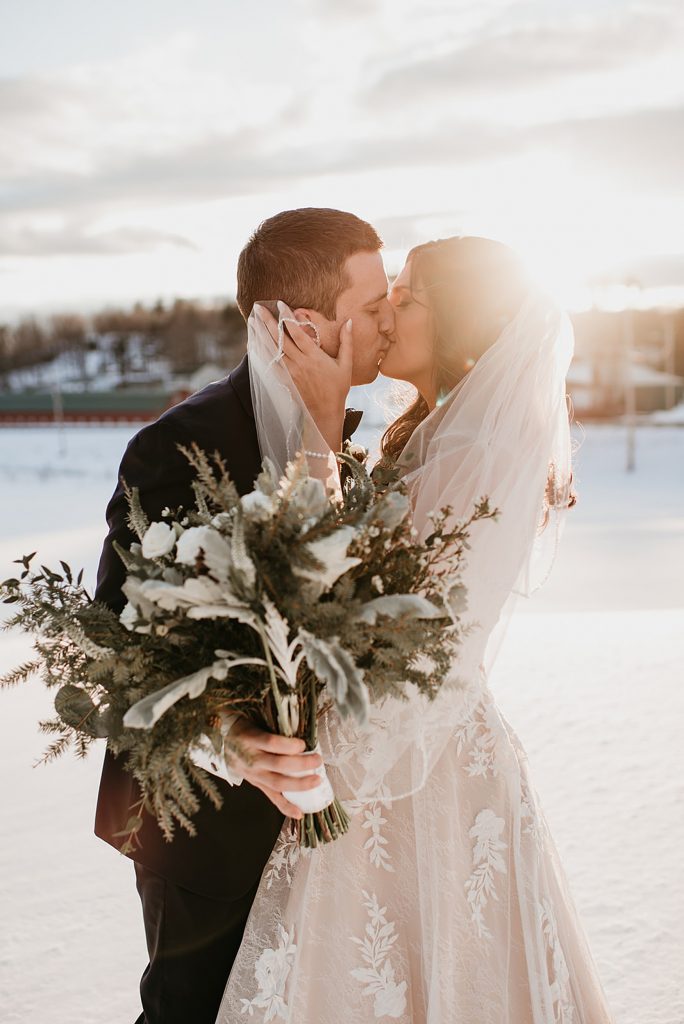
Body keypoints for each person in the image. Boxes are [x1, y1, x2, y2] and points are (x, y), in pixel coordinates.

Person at [215, 237, 615, 1022]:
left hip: (411, 758)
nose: (387, 313)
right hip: (396, 745)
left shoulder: (477, 452)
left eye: (408, 296)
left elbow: (385, 621)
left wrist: (333, 762)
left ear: (462, 324)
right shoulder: (431, 434)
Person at [92, 207, 394, 1024]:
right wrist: (236, 741)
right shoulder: (172, 450)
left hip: (325, 838)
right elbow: (119, 657)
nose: (390, 323)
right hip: (201, 831)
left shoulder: (354, 446)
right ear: (304, 325)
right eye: (373, 308)